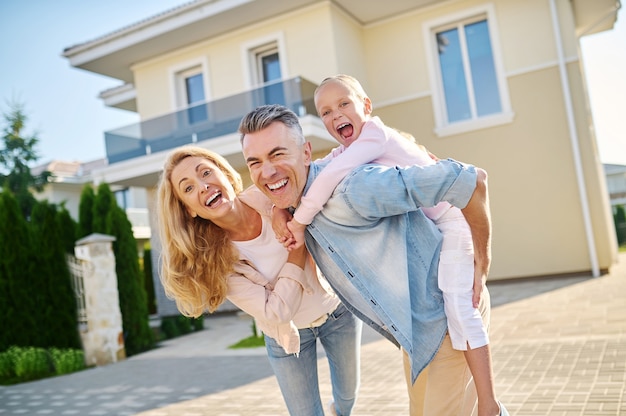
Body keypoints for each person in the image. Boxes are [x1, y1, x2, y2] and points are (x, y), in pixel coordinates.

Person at [239, 104, 506, 416]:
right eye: (254, 162)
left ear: (306, 153)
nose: (267, 171)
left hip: (448, 320)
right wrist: (277, 209)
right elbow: (250, 195)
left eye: (277, 154)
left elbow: (469, 181)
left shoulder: (352, 190)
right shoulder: (300, 202)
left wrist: (483, 260)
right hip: (417, 333)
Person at [156, 146, 362, 416]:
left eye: (206, 172)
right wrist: (296, 246)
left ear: (226, 175)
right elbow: (275, 312)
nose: (203, 186)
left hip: (337, 312)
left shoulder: (271, 195)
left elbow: (321, 171)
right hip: (286, 339)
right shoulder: (217, 262)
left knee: (348, 396)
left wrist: (280, 207)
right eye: (189, 188)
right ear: (189, 210)